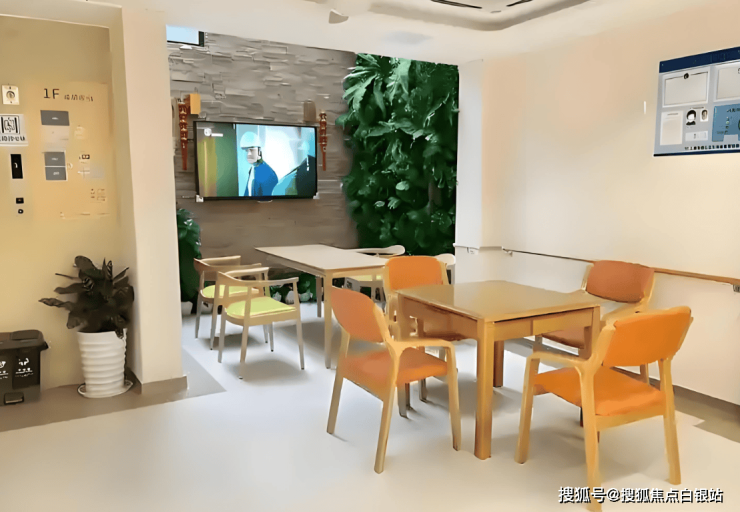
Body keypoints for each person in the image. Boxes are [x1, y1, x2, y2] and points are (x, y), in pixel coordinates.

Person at [239, 131, 278, 197]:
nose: (248, 154)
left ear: (259, 151)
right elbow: (248, 192)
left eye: (251, 150)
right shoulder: (253, 169)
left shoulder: (268, 173)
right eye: (247, 150)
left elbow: (268, 200)